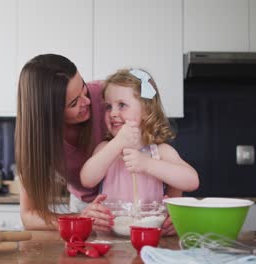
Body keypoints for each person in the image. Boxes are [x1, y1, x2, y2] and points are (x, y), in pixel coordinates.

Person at [15, 54, 180, 234]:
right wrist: (80, 219)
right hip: (87, 207)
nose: (87, 102)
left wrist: (174, 207)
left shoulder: (109, 96)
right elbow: (29, 215)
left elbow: (161, 154)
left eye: (83, 88)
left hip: (144, 210)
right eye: (73, 102)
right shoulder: (35, 138)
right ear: (50, 114)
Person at [80, 69, 199, 206]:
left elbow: (191, 181)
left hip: (151, 226)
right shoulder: (106, 148)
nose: (112, 113)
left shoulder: (160, 151)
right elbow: (87, 180)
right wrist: (117, 144)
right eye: (108, 107)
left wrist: (147, 164)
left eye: (122, 105)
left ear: (146, 110)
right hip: (112, 226)